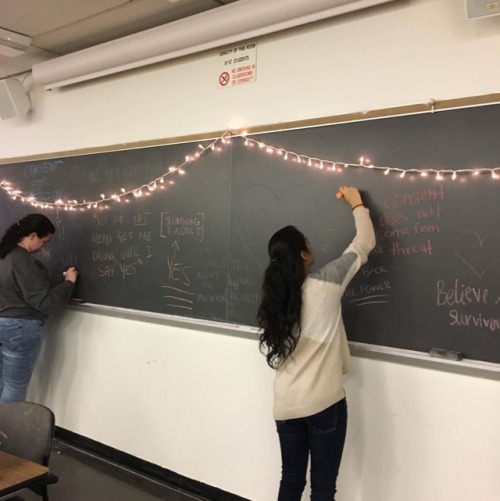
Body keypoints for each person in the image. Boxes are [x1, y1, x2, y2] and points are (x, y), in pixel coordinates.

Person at [257, 186, 375, 501]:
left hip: (286, 404)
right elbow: (364, 243)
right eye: (307, 245)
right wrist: (357, 204)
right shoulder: (326, 284)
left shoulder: (274, 302)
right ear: (304, 254)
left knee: (291, 481)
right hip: (324, 403)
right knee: (322, 488)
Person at [0, 213, 78, 402]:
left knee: (3, 382)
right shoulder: (23, 262)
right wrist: (68, 283)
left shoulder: (4, 255)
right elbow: (45, 302)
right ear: (33, 235)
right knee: (15, 385)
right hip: (20, 327)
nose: (44, 247)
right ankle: (9, 431)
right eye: (45, 241)